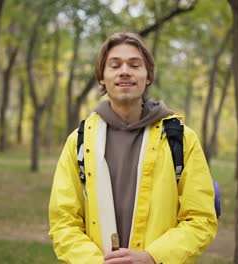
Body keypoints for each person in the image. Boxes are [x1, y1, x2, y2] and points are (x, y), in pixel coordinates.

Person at [49, 32, 217, 263]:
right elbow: (64, 222)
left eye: (135, 65)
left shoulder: (181, 139)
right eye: (115, 65)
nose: (125, 71)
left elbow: (201, 219)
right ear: (102, 76)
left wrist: (152, 257)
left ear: (148, 76)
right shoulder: (78, 142)